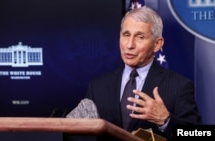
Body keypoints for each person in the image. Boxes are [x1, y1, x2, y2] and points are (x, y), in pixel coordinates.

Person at [84, 6, 202, 140]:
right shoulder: (97, 86)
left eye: (140, 37)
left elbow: (197, 134)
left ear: (157, 44)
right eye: (126, 35)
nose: (129, 45)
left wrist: (165, 120)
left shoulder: (179, 86)